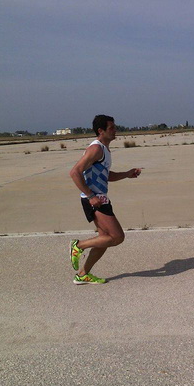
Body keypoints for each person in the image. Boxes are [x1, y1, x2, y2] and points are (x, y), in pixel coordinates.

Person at [69, 114, 141, 284]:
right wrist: (90, 196)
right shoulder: (96, 149)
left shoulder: (104, 150)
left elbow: (106, 175)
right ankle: (78, 246)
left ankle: (83, 274)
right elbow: (74, 172)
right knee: (117, 237)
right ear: (101, 131)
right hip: (94, 200)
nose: (115, 130)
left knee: (104, 240)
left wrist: (127, 174)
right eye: (111, 128)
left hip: (100, 198)